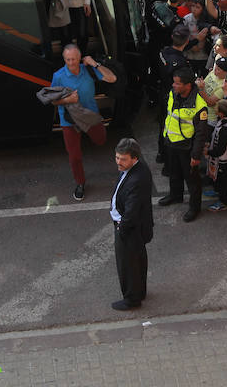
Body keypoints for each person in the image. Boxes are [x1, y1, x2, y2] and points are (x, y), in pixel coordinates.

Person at [50, 44, 118, 200]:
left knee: (101, 140)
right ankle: (80, 183)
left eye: (74, 59)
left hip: (90, 115)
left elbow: (112, 78)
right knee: (74, 156)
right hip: (70, 120)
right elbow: (53, 100)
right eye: (68, 59)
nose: (71, 63)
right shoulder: (59, 76)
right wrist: (68, 99)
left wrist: (95, 63)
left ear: (79, 58)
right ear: (64, 59)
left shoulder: (89, 69)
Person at [159, 66, 209, 222]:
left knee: (192, 180)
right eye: (174, 83)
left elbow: (201, 134)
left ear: (188, 85)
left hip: (187, 146)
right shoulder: (173, 93)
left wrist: (196, 155)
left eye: (177, 83)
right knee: (173, 173)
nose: (173, 85)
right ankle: (175, 195)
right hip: (171, 142)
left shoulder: (199, 105)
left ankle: (195, 208)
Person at [109, 138, 154, 311]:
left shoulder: (136, 179)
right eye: (117, 157)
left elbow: (132, 211)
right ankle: (139, 291)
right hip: (136, 228)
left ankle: (132, 299)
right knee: (138, 261)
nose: (118, 162)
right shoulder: (136, 168)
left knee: (127, 265)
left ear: (134, 158)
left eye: (123, 159)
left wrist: (122, 228)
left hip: (129, 229)